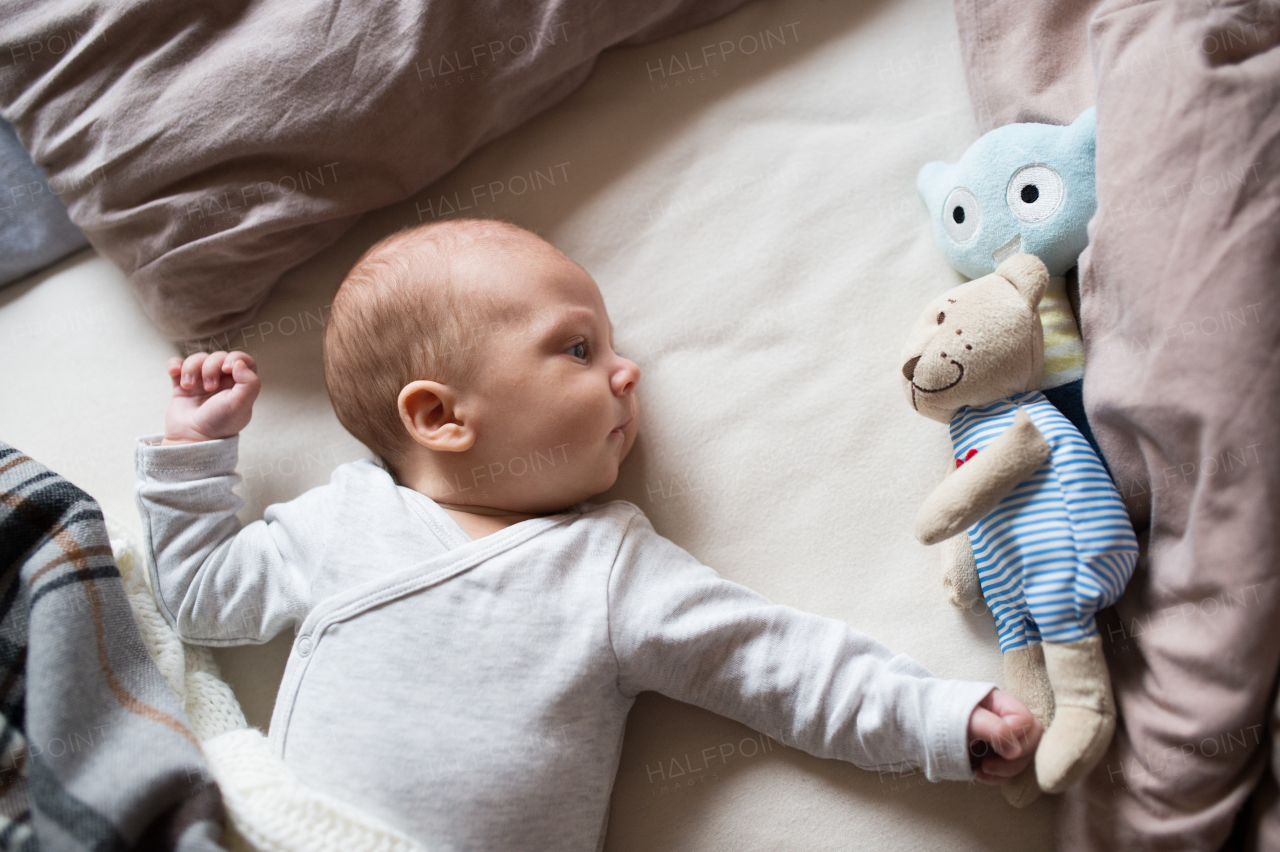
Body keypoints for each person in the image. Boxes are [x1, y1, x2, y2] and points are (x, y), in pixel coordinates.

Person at [135, 217, 1041, 850]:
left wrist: (935, 719)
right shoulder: (341, 522)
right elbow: (201, 598)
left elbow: (778, 663)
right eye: (578, 349)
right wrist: (195, 452)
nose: (626, 370)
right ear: (441, 416)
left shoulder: (608, 568)